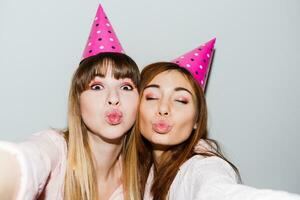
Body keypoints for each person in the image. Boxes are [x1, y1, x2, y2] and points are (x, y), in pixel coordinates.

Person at [124, 39, 300, 200]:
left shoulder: (203, 167)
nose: (163, 108)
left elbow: (218, 191)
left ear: (196, 121)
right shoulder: (138, 172)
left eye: (180, 100)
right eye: (152, 97)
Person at [0, 4, 140, 200]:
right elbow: (27, 162)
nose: (114, 98)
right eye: (97, 87)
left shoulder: (142, 179)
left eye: (125, 87)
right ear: (77, 103)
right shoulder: (56, 150)